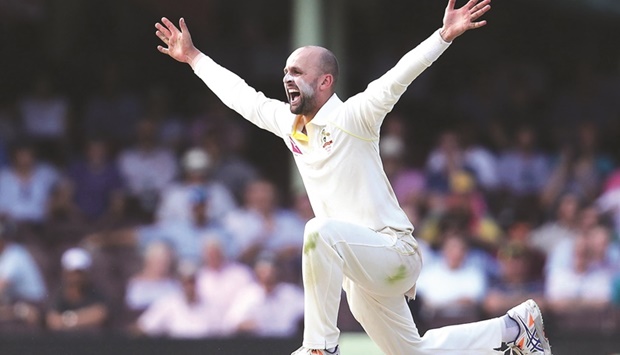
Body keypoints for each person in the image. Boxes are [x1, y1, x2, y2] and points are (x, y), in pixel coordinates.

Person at [154, 0, 553, 354]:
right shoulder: (289, 124)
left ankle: (319, 347)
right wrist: (193, 57)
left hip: (393, 253)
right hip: (360, 274)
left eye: (296, 71)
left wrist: (443, 36)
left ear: (325, 81)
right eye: (285, 71)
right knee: (413, 353)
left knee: (317, 231)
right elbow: (242, 96)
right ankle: (515, 328)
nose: (286, 78)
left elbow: (398, 77)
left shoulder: (354, 118)